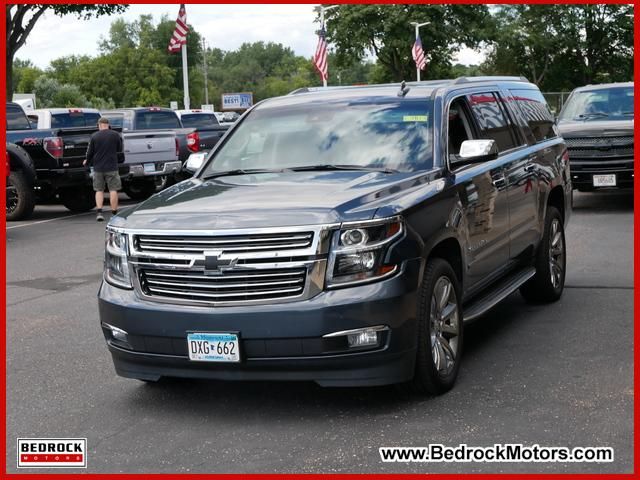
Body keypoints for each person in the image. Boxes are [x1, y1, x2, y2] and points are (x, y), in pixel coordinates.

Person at [84, 117, 124, 222]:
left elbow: (90, 152)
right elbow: (119, 149)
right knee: (113, 190)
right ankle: (114, 213)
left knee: (99, 190)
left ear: (99, 125)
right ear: (108, 125)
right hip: (112, 167)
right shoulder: (115, 135)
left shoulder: (94, 136)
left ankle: (99, 213)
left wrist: (87, 161)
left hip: (98, 167)